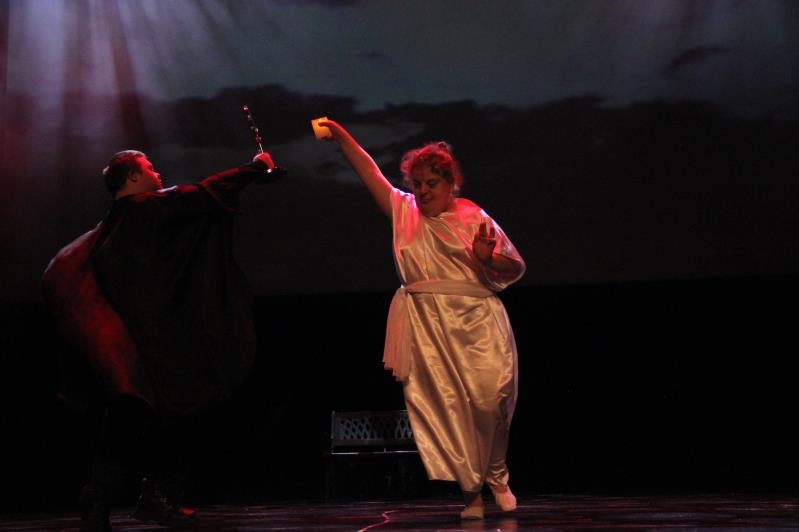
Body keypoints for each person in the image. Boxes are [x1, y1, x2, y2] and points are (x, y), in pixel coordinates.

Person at [41, 149, 283, 531]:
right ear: (133, 178)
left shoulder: (111, 225)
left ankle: (112, 499)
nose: (157, 173)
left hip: (133, 346)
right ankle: (143, 497)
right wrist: (253, 169)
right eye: (149, 168)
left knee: (135, 419)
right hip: (151, 344)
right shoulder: (144, 209)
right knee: (170, 413)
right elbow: (202, 193)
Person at [318, 119, 525, 520]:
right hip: (429, 326)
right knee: (448, 409)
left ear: (451, 183)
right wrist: (340, 136)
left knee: (490, 402)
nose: (423, 190)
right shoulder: (404, 211)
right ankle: (471, 493)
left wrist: (487, 259)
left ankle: (497, 475)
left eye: (432, 182)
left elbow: (513, 266)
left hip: (478, 323)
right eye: (417, 183)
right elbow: (369, 172)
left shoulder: (472, 216)